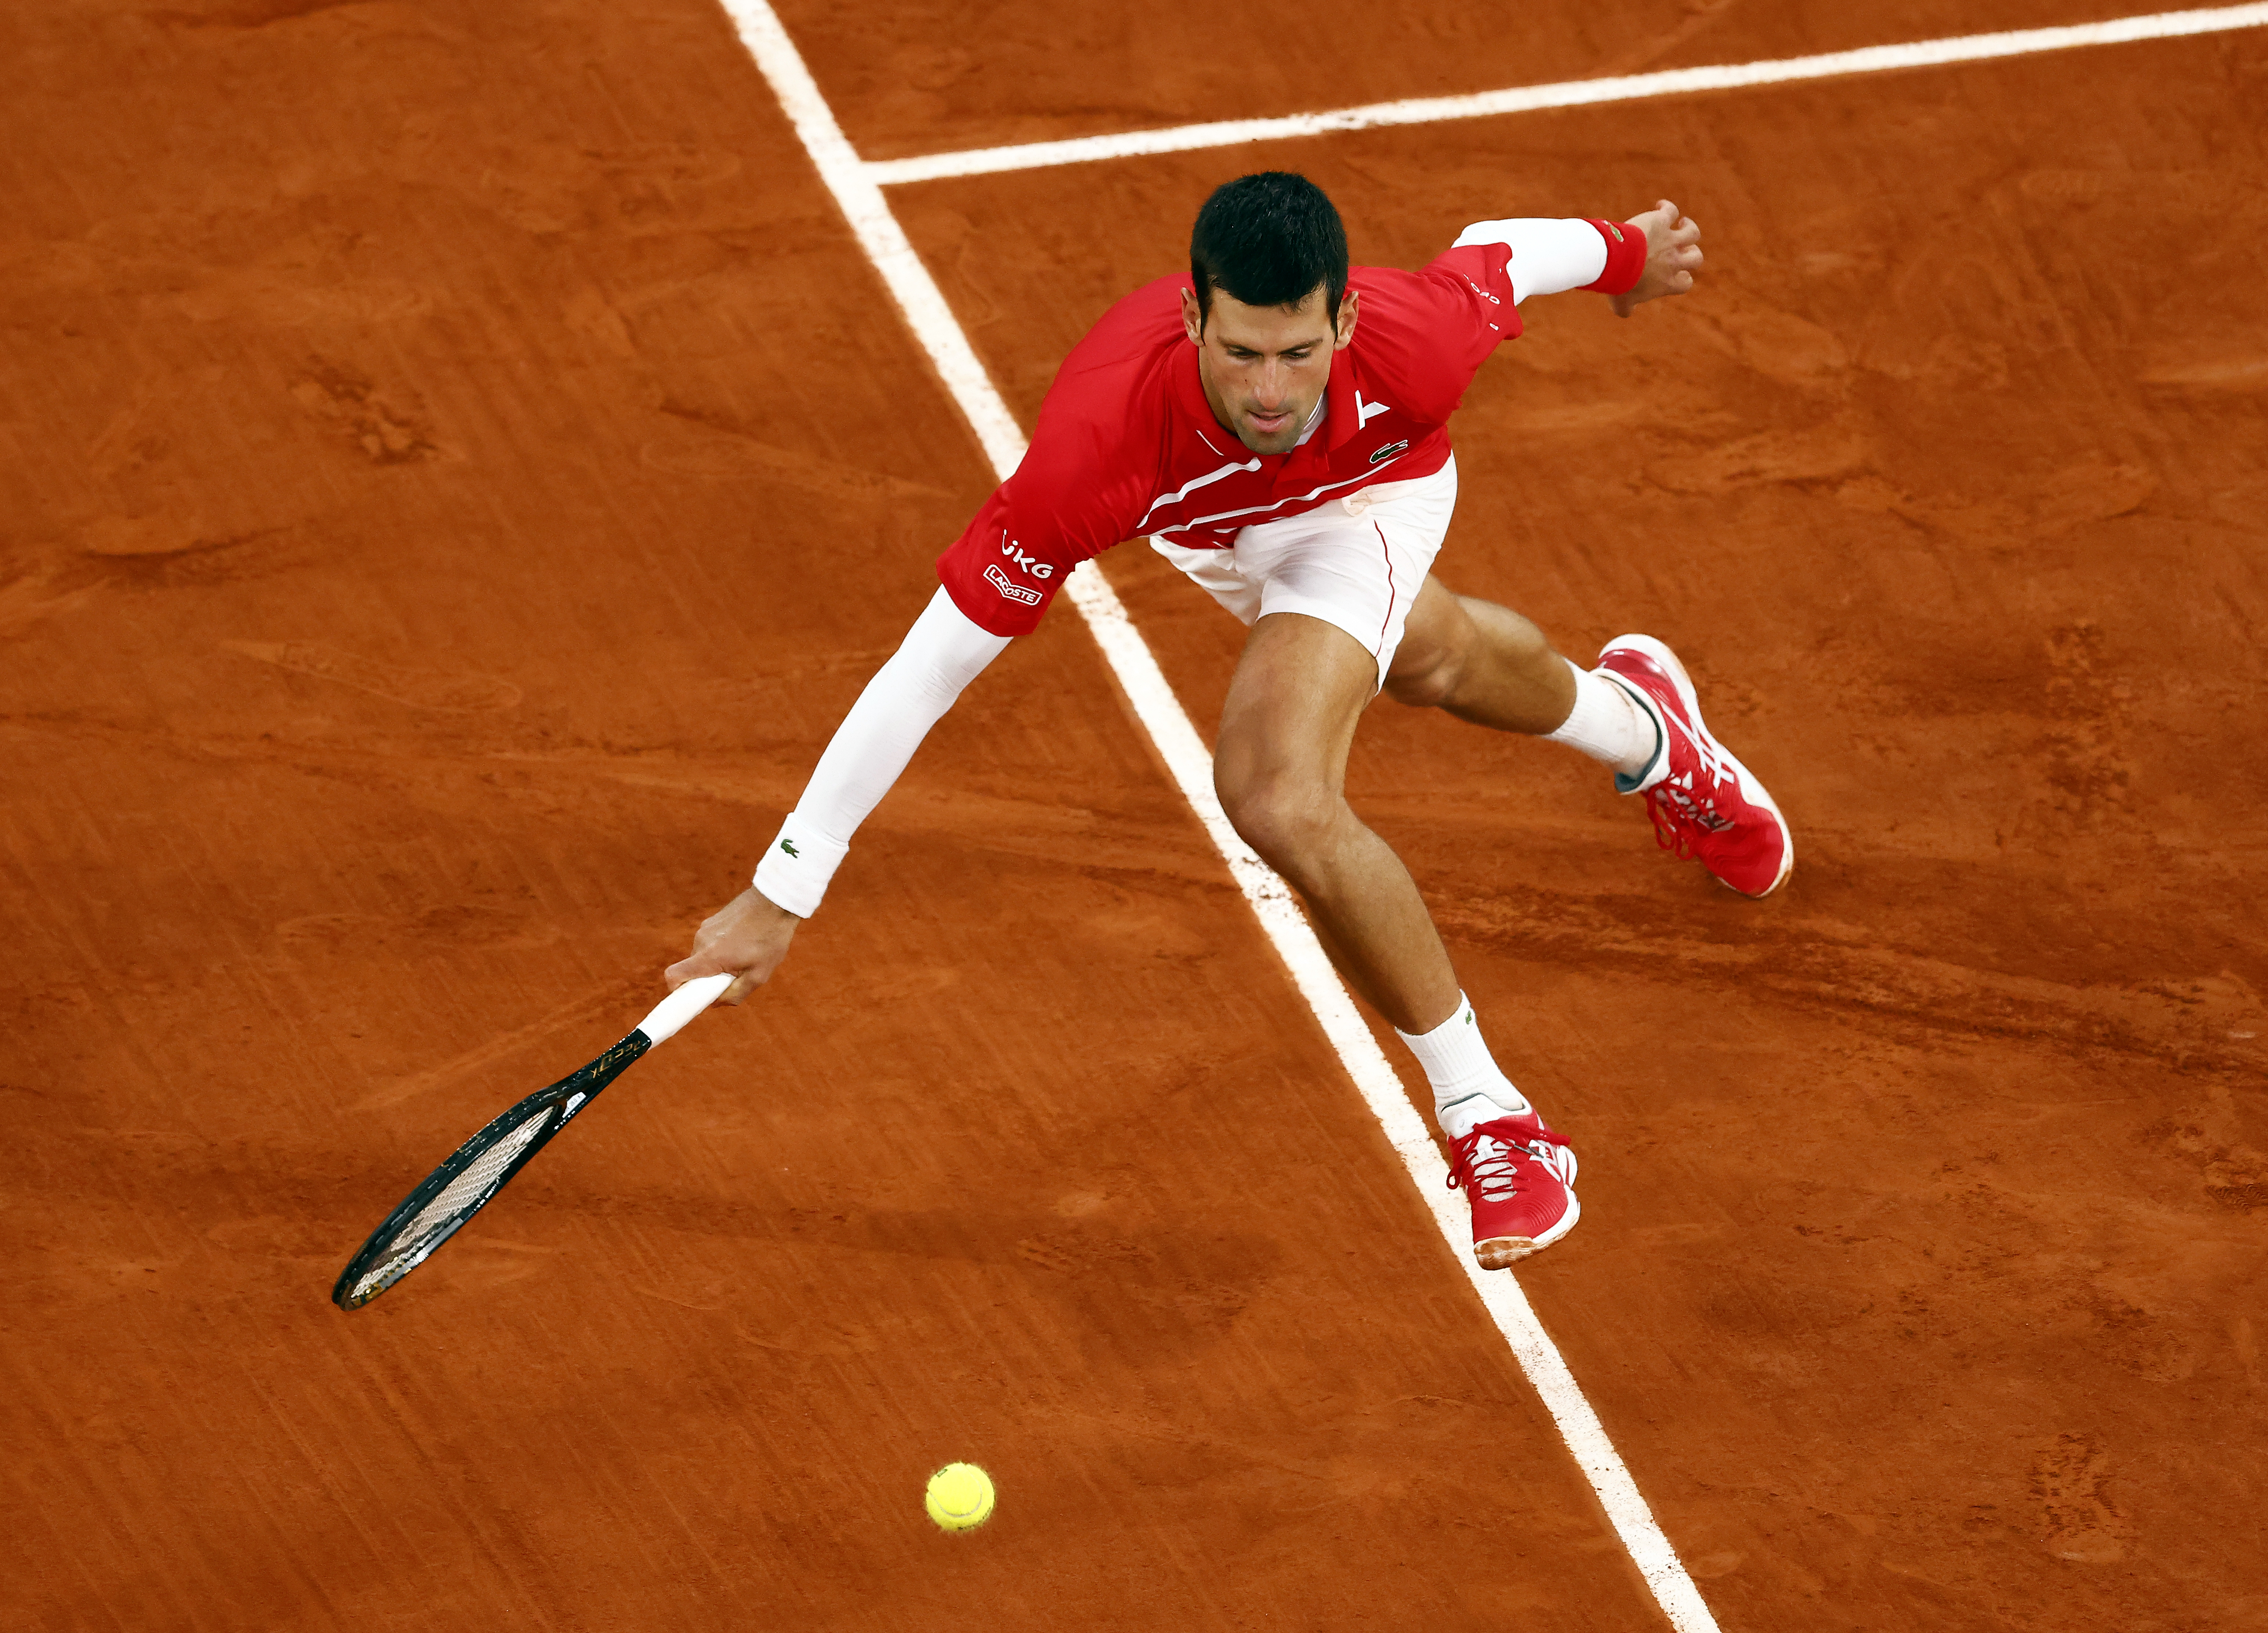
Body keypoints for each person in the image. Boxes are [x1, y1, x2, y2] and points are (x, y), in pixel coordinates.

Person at [665, 172, 1791, 1269]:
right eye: (1239, 352)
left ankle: (1491, 1117)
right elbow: (931, 666)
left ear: (1344, 319)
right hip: (1225, 529)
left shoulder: (1414, 342)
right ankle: (1650, 736)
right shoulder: (1091, 458)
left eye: (1300, 352)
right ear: (1192, 314)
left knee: (1274, 792)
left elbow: (1507, 252)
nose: (1268, 390)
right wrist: (784, 890)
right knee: (1434, 662)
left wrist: (1632, 256)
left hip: (1373, 492)